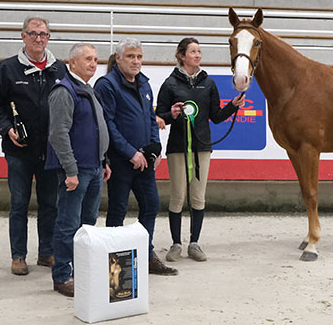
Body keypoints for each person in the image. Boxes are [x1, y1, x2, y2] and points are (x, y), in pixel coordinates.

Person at [0, 16, 67, 275]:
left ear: (49, 37)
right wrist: (7, 129)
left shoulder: (59, 69)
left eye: (43, 34)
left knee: (50, 204)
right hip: (18, 152)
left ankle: (47, 252)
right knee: (19, 203)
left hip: (50, 152)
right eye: (33, 33)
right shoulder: (7, 68)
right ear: (23, 36)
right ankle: (18, 256)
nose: (38, 38)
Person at [155, 37, 245, 262]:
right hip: (177, 148)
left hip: (202, 147)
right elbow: (159, 116)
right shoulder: (170, 84)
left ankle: (194, 243)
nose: (197, 55)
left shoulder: (209, 83)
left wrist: (232, 106)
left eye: (199, 52)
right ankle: (176, 244)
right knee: (177, 197)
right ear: (182, 55)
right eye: (193, 52)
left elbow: (215, 117)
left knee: (198, 197)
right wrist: (171, 115)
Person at [94, 37, 178, 276]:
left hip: (145, 162)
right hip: (121, 161)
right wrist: (130, 152)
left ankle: (146, 254)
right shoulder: (106, 85)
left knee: (151, 204)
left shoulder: (144, 84)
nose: (136, 61)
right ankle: (114, 262)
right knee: (118, 209)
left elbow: (152, 119)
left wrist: (155, 147)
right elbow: (107, 124)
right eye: (130, 56)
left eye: (139, 56)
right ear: (118, 59)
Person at [45, 43, 111, 297]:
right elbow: (58, 134)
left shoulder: (88, 89)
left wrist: (103, 160)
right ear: (72, 63)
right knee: (68, 223)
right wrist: (70, 171)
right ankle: (62, 276)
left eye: (95, 59)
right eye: (87, 59)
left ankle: (80, 269)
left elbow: (95, 129)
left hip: (93, 168)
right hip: (76, 171)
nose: (93, 64)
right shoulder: (64, 90)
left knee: (87, 224)